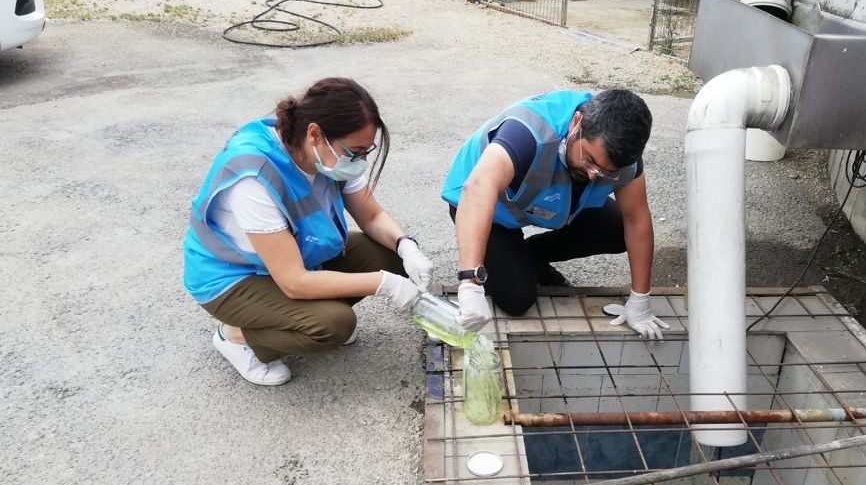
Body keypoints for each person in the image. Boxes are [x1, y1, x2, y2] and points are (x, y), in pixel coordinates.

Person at [183, 77, 432, 386]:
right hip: (233, 277)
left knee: (389, 255)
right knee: (333, 324)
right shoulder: (254, 176)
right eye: (355, 152)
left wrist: (407, 245)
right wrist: (385, 285)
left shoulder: (326, 154)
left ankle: (301, 316)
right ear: (315, 134)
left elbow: (372, 215)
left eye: (366, 152)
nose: (361, 162)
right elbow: (294, 282)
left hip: (292, 256)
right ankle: (236, 337)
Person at [441, 88, 669, 340]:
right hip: (488, 207)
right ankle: (511, 259)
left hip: (554, 200)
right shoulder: (529, 131)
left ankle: (531, 256)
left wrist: (640, 300)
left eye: (606, 171)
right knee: (517, 298)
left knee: (617, 230)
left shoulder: (621, 161)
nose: (594, 174)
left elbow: (636, 220)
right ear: (576, 123)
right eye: (590, 160)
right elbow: (478, 189)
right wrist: (469, 283)